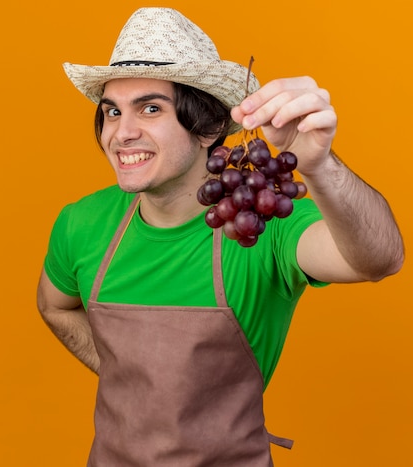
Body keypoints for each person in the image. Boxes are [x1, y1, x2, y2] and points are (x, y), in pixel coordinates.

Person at [36, 7, 404, 466]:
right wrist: (133, 376)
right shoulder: (81, 222)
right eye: (112, 111)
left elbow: (380, 259)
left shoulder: (260, 220)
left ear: (209, 127)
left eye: (150, 108)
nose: (121, 132)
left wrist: (319, 164)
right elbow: (54, 304)